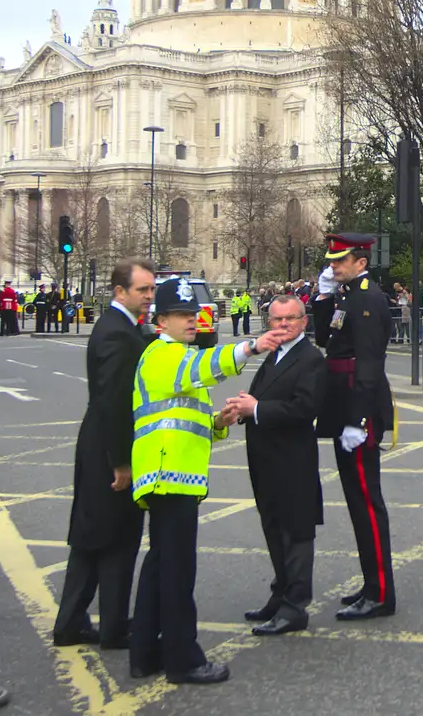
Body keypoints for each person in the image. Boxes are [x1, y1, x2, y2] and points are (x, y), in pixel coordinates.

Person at [129, 278, 286, 684]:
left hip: (167, 474)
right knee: (178, 571)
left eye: (192, 313)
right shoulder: (164, 355)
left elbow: (184, 416)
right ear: (160, 321)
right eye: (181, 315)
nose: (191, 321)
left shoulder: (173, 357)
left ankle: (145, 652)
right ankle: (184, 659)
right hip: (171, 475)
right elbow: (203, 367)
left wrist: (218, 422)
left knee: (160, 566)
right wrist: (250, 346)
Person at [53, 258, 157, 651]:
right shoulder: (117, 334)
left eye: (150, 290)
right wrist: (121, 461)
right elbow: (114, 402)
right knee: (116, 540)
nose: (149, 297)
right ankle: (113, 628)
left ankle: (71, 624)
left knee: (91, 537)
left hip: (98, 445)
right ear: (119, 292)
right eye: (142, 290)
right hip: (108, 451)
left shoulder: (120, 328)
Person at [232, 294, 326, 636]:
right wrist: (241, 409)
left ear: (304, 321)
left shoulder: (310, 358)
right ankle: (280, 594)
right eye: (276, 320)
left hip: (292, 460)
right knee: (273, 528)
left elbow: (305, 409)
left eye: (290, 318)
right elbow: (263, 398)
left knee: (296, 533)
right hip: (266, 457)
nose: (283, 325)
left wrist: (255, 409)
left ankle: (294, 606)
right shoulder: (275, 354)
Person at [318, 233, 398, 621]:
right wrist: (321, 298)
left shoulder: (367, 298)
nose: (333, 266)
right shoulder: (348, 295)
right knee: (356, 502)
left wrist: (358, 421)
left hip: (357, 409)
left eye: (339, 261)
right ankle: (371, 584)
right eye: (332, 261)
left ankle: (381, 593)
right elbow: (327, 340)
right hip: (344, 405)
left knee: (367, 504)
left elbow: (368, 363)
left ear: (360, 262)